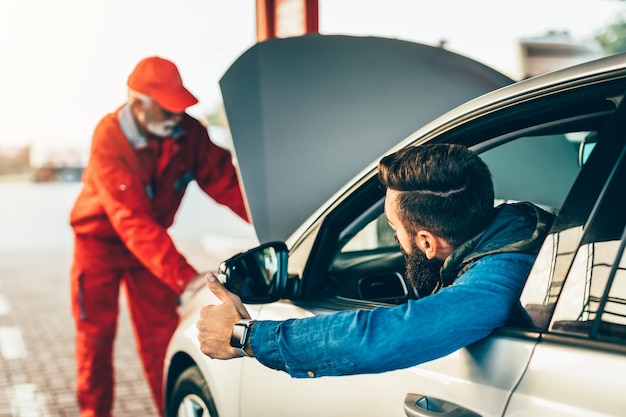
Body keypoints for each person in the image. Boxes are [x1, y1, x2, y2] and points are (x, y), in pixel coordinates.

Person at [196, 143, 554, 378]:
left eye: (394, 229)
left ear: (427, 242)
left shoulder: (497, 280)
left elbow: (383, 337)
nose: (397, 240)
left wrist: (245, 335)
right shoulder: (521, 224)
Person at [69, 56, 249, 417]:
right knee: (95, 343)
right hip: (99, 247)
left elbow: (228, 184)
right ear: (138, 105)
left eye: (179, 108)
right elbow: (131, 219)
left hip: (148, 249)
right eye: (168, 110)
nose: (177, 117)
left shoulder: (189, 133)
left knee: (162, 341)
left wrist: (275, 223)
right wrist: (185, 278)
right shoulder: (109, 137)